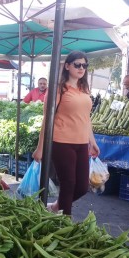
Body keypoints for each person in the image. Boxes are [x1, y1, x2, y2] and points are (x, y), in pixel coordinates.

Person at [32, 50, 100, 216]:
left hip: (81, 143)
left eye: (84, 65)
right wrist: (40, 148)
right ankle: (65, 222)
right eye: (77, 64)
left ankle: (55, 207)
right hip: (61, 142)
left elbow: (86, 118)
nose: (81, 68)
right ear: (67, 66)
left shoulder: (84, 89)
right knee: (68, 183)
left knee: (83, 186)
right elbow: (47, 120)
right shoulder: (58, 89)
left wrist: (93, 141)